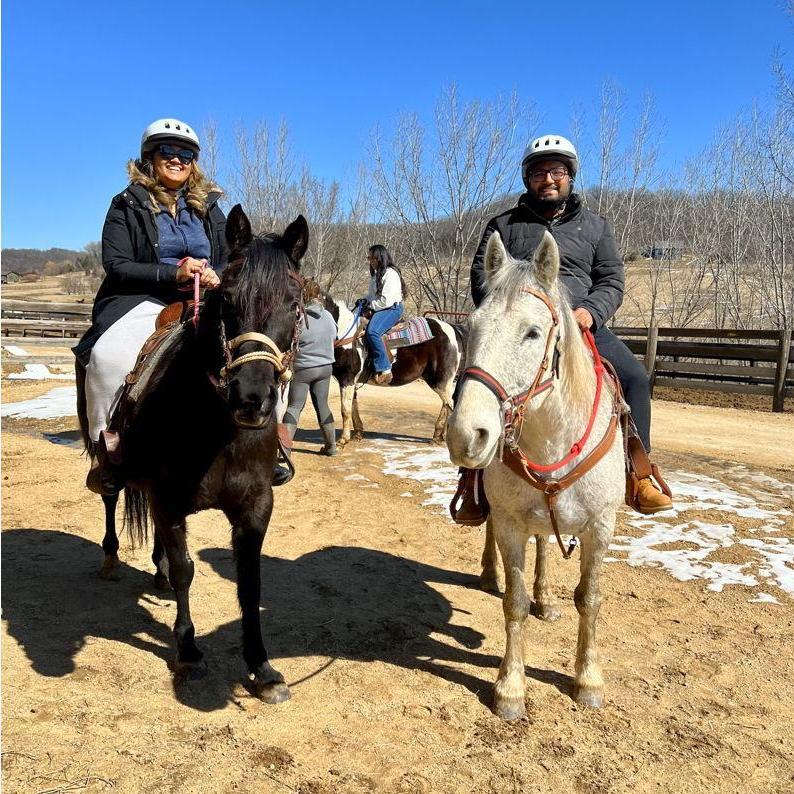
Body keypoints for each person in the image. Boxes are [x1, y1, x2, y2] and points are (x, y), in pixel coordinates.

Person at [462, 133, 672, 515]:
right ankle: (473, 480)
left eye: (556, 171)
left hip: (581, 327)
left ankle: (639, 475)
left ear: (570, 177)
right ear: (527, 179)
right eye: (539, 172)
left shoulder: (595, 227)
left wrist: (590, 312)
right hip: (521, 328)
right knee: (478, 379)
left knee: (635, 379)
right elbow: (482, 278)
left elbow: (611, 280)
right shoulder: (503, 225)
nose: (548, 179)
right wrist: (517, 310)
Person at [73, 118, 227, 493]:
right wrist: (173, 273)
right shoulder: (127, 204)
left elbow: (231, 255)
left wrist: (217, 275)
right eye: (167, 151)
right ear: (149, 157)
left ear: (193, 162)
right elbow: (117, 264)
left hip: (205, 298)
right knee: (108, 356)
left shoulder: (210, 207)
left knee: (259, 348)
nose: (177, 159)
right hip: (140, 298)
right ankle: (107, 451)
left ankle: (268, 445)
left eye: (186, 154)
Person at [282, 279, 338, 455]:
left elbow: (290, 341)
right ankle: (331, 447)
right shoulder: (328, 315)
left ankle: (284, 451)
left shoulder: (298, 317)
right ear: (318, 295)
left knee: (294, 407)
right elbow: (334, 335)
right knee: (322, 404)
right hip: (326, 367)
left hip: (304, 369)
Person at [359, 244, 405, 385]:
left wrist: (370, 306)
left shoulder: (390, 274)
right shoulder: (376, 275)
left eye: (372, 257)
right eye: (368, 258)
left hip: (391, 309)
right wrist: (364, 300)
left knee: (372, 332)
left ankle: (385, 368)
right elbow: (372, 296)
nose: (370, 261)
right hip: (380, 308)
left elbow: (386, 301)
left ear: (380, 257)